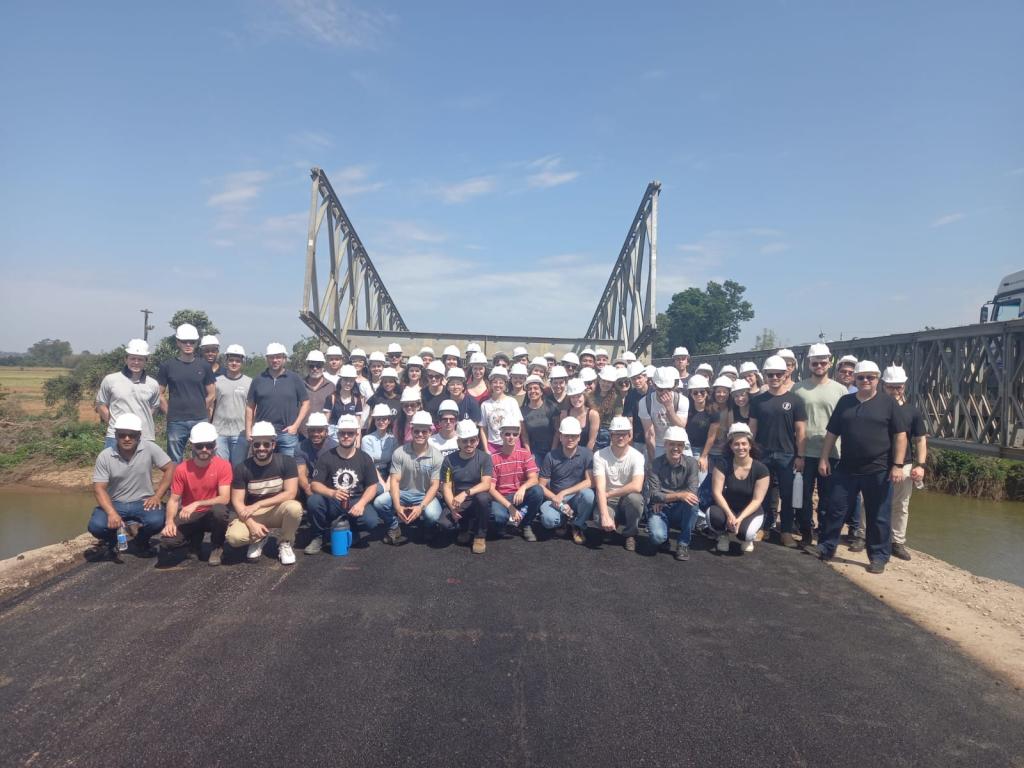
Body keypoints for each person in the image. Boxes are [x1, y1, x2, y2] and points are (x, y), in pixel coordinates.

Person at [817, 361, 909, 574]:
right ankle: (826, 547)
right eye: (861, 377)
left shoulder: (888, 403)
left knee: (879, 515)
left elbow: (900, 435)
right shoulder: (845, 402)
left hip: (878, 469)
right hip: (847, 467)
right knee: (836, 508)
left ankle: (878, 556)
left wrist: (897, 465)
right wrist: (824, 458)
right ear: (855, 379)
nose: (865, 381)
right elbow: (832, 433)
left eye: (870, 377)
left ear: (878, 379)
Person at [87, 414, 174, 562]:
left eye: (131, 435)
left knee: (157, 521)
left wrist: (157, 496)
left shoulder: (149, 448)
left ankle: (141, 540)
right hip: (115, 503)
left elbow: (170, 468)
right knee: (96, 526)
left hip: (143, 502)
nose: (127, 439)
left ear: (139, 435)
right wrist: (111, 513)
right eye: (122, 435)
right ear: (116, 435)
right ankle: (112, 542)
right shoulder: (105, 456)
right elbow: (99, 488)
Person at [306, 415, 391, 552]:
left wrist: (362, 504)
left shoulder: (365, 458)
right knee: (314, 501)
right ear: (337, 434)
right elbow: (315, 484)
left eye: (350, 433)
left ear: (356, 434)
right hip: (333, 500)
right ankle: (319, 536)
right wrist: (332, 493)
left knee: (372, 521)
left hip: (355, 500)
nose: (346, 436)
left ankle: (350, 528)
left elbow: (372, 486)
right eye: (343, 433)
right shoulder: (326, 457)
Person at [791, 343, 847, 547]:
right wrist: (798, 454)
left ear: (830, 363)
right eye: (815, 363)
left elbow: (846, 422)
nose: (819, 366)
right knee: (804, 496)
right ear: (809, 364)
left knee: (828, 497)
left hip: (832, 453)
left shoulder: (840, 390)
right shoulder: (798, 389)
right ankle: (806, 532)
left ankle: (823, 535)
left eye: (823, 362)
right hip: (805, 451)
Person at [749, 355, 807, 547]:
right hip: (762, 454)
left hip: (787, 455)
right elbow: (752, 428)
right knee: (762, 494)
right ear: (765, 375)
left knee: (787, 495)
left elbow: (801, 430)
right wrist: (750, 452)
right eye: (770, 374)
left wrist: (800, 456)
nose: (774, 377)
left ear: (785, 374)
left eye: (778, 374)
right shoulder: (758, 401)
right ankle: (763, 528)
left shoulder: (795, 400)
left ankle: (786, 532)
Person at [225, 422, 303, 565]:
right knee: (234, 538)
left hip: (277, 510)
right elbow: (237, 501)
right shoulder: (242, 468)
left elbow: (290, 493)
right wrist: (251, 524)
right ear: (252, 445)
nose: (261, 448)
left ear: (273, 445)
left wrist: (259, 504)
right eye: (257, 444)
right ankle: (258, 538)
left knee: (294, 508)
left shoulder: (287, 462)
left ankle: (285, 542)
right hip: (253, 514)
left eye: (266, 444)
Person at [157, 421, 231, 566]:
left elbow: (224, 498)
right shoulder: (182, 469)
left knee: (220, 511)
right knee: (167, 541)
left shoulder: (223, 466)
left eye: (209, 445)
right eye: (199, 446)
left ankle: (217, 547)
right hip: (191, 515)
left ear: (215, 445)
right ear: (192, 445)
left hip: (211, 514)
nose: (204, 449)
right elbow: (173, 500)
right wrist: (169, 522)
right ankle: (194, 541)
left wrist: (197, 503)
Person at [375, 410, 444, 540]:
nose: (420, 434)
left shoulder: (437, 456)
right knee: (379, 502)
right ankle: (394, 526)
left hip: (424, 494)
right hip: (403, 493)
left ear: (430, 432)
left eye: (424, 431)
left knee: (433, 515)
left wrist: (420, 507)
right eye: (416, 431)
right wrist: (397, 506)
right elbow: (394, 481)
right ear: (411, 431)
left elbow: (434, 486)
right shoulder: (399, 452)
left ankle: (427, 527)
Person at [882, 365, 927, 562]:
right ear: (883, 385)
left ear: (904, 386)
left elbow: (920, 439)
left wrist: (921, 465)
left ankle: (897, 542)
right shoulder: (875, 407)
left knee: (900, 505)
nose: (895, 390)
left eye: (898, 386)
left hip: (904, 465)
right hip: (878, 462)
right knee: (868, 501)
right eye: (891, 386)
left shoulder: (912, 411)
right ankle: (863, 535)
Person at [157, 323, 216, 463]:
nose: (188, 344)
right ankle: (177, 479)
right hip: (176, 421)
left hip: (200, 419)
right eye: (184, 341)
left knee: (203, 457)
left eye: (192, 341)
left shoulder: (204, 366)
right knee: (174, 459)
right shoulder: (167, 366)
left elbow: (212, 393)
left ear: (196, 343)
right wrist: (169, 412)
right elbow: (159, 394)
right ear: (178, 342)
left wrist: (201, 409)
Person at [707, 423, 770, 554]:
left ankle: (748, 538)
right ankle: (723, 535)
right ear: (730, 446)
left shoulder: (761, 469)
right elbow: (717, 493)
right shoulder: (722, 465)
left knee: (745, 533)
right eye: (736, 444)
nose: (740, 447)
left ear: (750, 445)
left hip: (749, 510)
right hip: (727, 508)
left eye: (744, 444)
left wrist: (740, 518)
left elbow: (757, 500)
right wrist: (730, 515)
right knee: (713, 516)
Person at [644, 426, 701, 561]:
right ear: (665, 445)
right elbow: (654, 495)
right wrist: (679, 495)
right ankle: (664, 538)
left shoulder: (692, 463)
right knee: (657, 537)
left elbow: (692, 492)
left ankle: (683, 543)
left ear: (684, 447)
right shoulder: (655, 464)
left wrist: (664, 498)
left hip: (677, 507)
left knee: (693, 502)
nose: (676, 448)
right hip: (660, 508)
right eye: (672, 444)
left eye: (679, 445)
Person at [537, 416, 595, 543]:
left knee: (589, 495)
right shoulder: (550, 456)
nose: (570, 439)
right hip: (555, 498)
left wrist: (564, 493)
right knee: (548, 520)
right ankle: (563, 520)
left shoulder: (587, 454)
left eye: (573, 436)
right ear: (560, 437)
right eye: (566, 436)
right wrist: (557, 500)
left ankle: (577, 525)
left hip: (576, 497)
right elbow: (541, 485)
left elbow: (590, 481)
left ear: (579, 437)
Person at [246, 343, 309, 457]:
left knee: (289, 466)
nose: (275, 360)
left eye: (278, 357)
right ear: (267, 359)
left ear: (284, 358)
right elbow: (250, 406)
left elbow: (306, 403)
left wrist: (295, 426)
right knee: (262, 466)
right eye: (272, 357)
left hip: (287, 434)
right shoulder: (258, 380)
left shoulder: (294, 378)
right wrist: (248, 431)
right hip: (263, 434)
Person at [592, 416, 646, 552]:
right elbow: (600, 488)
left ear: (629, 435)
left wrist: (609, 493)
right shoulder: (599, 455)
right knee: (599, 519)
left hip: (626, 498)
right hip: (608, 500)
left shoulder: (637, 456)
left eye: (624, 434)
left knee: (636, 499)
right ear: (611, 435)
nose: (620, 437)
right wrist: (604, 515)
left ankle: (630, 534)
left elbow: (637, 486)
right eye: (616, 434)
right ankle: (610, 524)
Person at [440, 419, 495, 554]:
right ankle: (465, 527)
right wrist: (452, 508)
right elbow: (446, 487)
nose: (469, 444)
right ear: (458, 442)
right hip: (458, 502)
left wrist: (465, 493)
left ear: (477, 441)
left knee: (483, 498)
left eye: (472, 440)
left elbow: (486, 484)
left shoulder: (485, 458)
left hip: (475, 499)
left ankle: (480, 536)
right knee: (444, 524)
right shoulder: (449, 460)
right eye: (465, 441)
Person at [95, 338, 160, 450]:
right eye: (132, 358)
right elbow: (101, 404)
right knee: (113, 462)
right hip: (116, 436)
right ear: (126, 359)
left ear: (146, 361)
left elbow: (154, 407)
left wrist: (142, 421)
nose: (136, 362)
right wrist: (114, 423)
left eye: (140, 359)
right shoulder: (111, 380)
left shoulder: (153, 384)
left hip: (144, 437)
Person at [488, 420, 544, 541]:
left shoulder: (525, 453)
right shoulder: (493, 458)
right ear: (501, 435)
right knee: (499, 516)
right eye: (507, 434)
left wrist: (523, 488)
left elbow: (534, 479)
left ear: (519, 436)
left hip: (519, 495)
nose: (511, 437)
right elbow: (491, 489)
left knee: (538, 491)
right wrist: (510, 507)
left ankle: (526, 524)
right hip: (502, 497)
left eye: (515, 434)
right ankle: (503, 525)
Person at [211, 344, 251, 465]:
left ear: (242, 362)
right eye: (231, 360)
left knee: (238, 468)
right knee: (221, 467)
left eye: (237, 361)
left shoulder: (249, 382)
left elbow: (252, 408)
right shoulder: (217, 381)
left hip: (240, 433)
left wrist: (250, 430)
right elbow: (211, 406)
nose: (234, 363)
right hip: (219, 432)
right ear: (226, 361)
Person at [639, 367, 689, 463]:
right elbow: (649, 434)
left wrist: (669, 408)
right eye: (661, 389)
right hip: (659, 444)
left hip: (679, 441)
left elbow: (681, 426)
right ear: (654, 386)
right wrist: (653, 461)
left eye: (669, 389)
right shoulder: (645, 402)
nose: (664, 393)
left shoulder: (682, 400)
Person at [478, 367, 526, 454]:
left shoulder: (512, 401)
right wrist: (486, 449)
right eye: (495, 382)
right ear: (490, 384)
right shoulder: (485, 405)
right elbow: (483, 428)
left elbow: (519, 425)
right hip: (493, 446)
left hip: (511, 444)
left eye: (501, 382)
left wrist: (514, 443)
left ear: (505, 385)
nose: (498, 385)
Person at [296, 412, 338, 501]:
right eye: (312, 430)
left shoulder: (335, 448)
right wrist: (307, 487)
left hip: (330, 484)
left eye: (319, 430)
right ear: (308, 431)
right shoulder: (300, 447)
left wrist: (325, 491)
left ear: (326, 432)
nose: (315, 434)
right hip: (311, 482)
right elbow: (300, 472)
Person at [521, 374, 561, 465]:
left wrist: (552, 451)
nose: (532, 391)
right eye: (530, 389)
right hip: (535, 451)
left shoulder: (551, 407)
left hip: (553, 449)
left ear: (541, 391)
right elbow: (524, 435)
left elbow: (557, 431)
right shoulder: (523, 411)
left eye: (536, 388)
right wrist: (529, 454)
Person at [683, 375, 714, 473]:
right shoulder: (686, 409)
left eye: (702, 392)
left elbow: (711, 436)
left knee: (700, 479)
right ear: (691, 394)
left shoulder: (713, 411)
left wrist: (703, 456)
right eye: (695, 392)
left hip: (702, 450)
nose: (699, 395)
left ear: (707, 393)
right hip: (686, 448)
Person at [590, 366, 625, 450]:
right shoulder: (592, 394)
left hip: (606, 432)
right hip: (591, 429)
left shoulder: (616, 398)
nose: (605, 384)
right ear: (599, 380)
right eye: (603, 381)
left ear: (613, 383)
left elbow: (618, 418)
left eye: (609, 382)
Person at [300, 350, 334, 437]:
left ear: (323, 367)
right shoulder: (299, 385)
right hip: (301, 435)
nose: (315, 369)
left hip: (323, 436)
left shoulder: (331, 387)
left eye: (318, 366)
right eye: (312, 366)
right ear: (307, 367)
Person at [329, 364, 369, 435]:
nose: (348, 383)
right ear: (341, 380)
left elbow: (358, 424)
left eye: (351, 380)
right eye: (345, 380)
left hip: (350, 435)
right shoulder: (331, 397)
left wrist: (357, 439)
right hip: (333, 436)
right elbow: (326, 420)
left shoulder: (356, 399)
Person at [363, 403, 397, 480]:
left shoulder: (393, 440)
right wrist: (383, 484)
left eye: (384, 419)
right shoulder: (367, 439)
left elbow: (395, 464)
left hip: (388, 473)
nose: (381, 422)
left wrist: (389, 482)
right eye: (378, 419)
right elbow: (370, 464)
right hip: (371, 473)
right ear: (374, 421)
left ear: (389, 421)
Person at [622, 362, 649, 452]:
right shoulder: (630, 395)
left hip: (656, 438)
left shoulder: (654, 393)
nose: (636, 381)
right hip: (638, 439)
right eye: (633, 379)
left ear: (645, 377)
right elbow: (629, 419)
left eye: (639, 378)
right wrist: (630, 442)